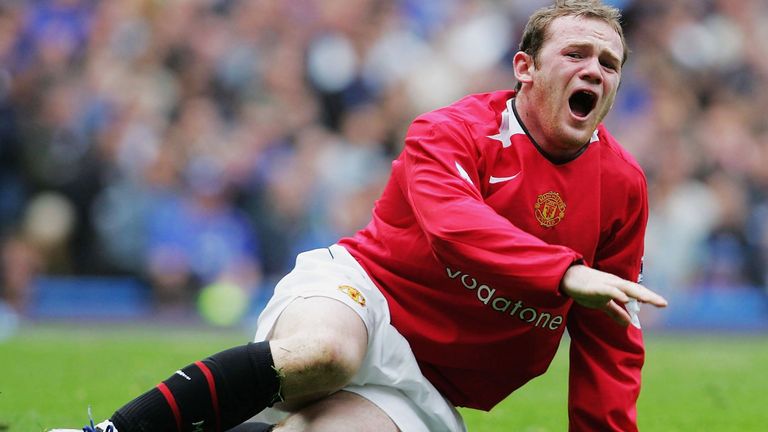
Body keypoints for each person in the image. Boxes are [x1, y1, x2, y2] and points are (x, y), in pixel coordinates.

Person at [53, 1, 668, 431]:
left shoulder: (622, 186)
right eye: (576, 53)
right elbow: (455, 226)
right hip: (362, 296)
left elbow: (612, 343)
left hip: (429, 383)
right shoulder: (450, 130)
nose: (594, 70)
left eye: (609, 63)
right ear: (525, 67)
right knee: (326, 353)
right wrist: (563, 274)